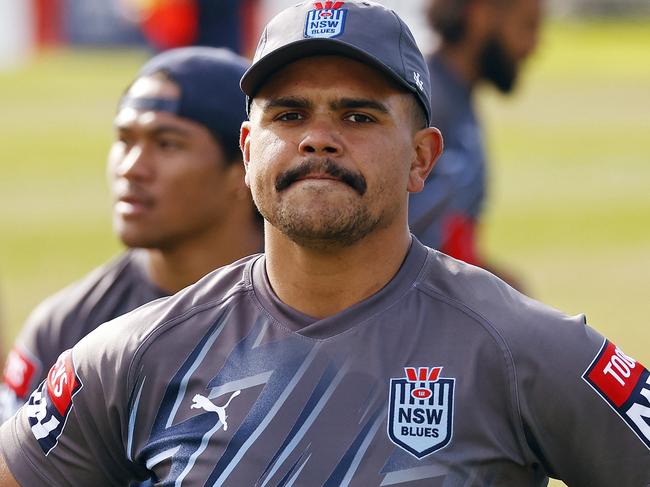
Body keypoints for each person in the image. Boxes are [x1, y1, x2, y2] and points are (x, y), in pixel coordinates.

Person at [1, 2, 649, 485]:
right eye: (288, 114)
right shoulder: (128, 355)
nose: (317, 137)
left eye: (357, 115)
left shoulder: (520, 348)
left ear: (422, 158)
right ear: (250, 151)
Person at [0, 46, 263, 423]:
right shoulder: (66, 328)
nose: (131, 168)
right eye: (125, 139)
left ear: (245, 163)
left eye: (168, 143)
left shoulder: (313, 303)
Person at [409, 0, 541, 285]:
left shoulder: (456, 95)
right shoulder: (428, 104)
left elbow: (452, 243)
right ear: (481, 15)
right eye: (528, 26)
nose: (534, 47)